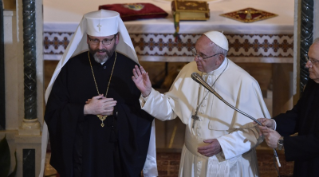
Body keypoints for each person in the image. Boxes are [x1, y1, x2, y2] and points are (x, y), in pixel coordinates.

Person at [132, 31, 271, 177]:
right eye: (195, 52)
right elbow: (170, 109)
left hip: (226, 164)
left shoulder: (244, 82)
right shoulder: (189, 70)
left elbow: (257, 130)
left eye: (202, 56)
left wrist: (223, 145)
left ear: (219, 58)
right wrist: (148, 92)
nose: (196, 59)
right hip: (192, 160)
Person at [40, 10, 157, 177]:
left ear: (117, 39)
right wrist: (85, 110)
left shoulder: (131, 69)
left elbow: (144, 116)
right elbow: (53, 112)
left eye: (107, 41)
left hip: (116, 155)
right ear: (87, 39)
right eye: (94, 40)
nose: (100, 47)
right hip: (81, 153)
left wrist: (117, 111)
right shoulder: (71, 69)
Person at [258, 39, 319, 177]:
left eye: (314, 61)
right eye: (308, 58)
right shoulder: (314, 83)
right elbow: (298, 115)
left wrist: (282, 143)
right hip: (306, 162)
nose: (307, 64)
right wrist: (273, 123)